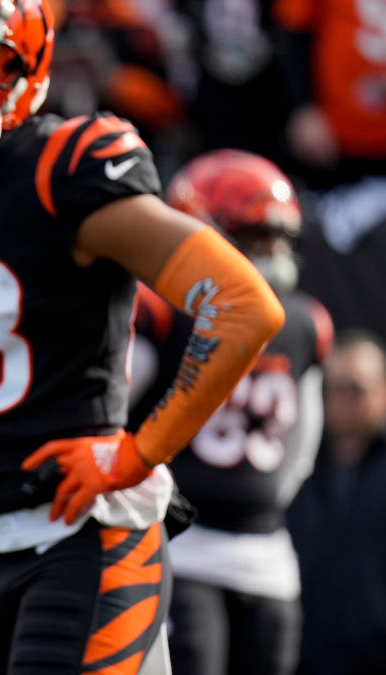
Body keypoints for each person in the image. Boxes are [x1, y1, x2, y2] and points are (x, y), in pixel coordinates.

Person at [0, 1, 285, 673]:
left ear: (11, 72)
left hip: (86, 535)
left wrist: (140, 453)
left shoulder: (62, 172)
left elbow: (244, 303)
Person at [129, 149, 332, 675]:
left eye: (278, 239)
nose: (271, 255)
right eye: (254, 236)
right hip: (183, 544)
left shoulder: (307, 323)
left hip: (266, 551)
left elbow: (304, 440)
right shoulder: (164, 310)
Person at [289, 331, 386, 675]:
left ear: (382, 390)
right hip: (301, 655)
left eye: (354, 388)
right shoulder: (293, 466)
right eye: (329, 388)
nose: (338, 399)